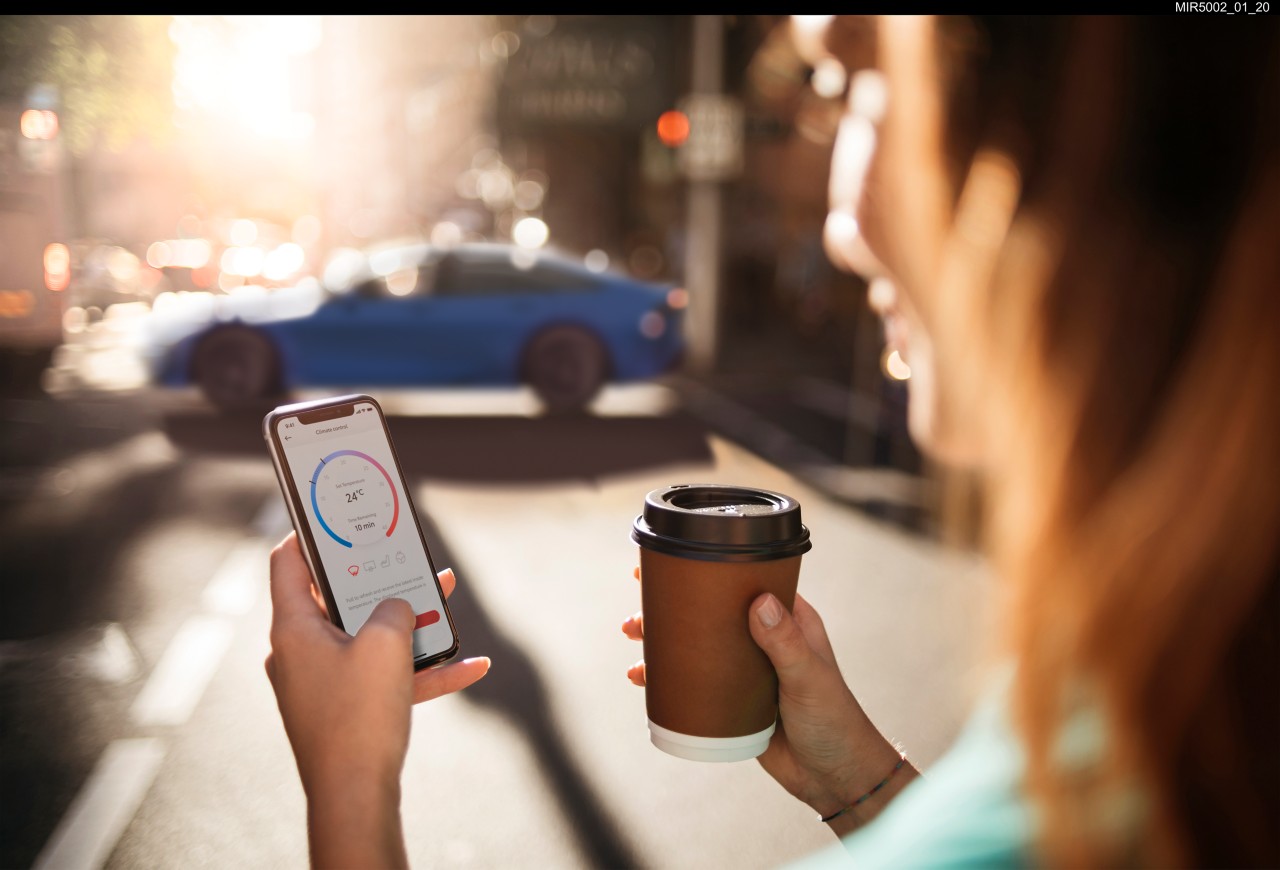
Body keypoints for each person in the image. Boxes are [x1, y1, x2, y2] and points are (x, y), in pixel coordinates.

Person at [266, 14, 1280, 869]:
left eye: (851, 90)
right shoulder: (1184, 727)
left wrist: (350, 780)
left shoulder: (1090, 766)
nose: (840, 227)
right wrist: (865, 785)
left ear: (1055, 132)